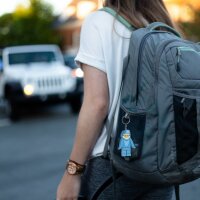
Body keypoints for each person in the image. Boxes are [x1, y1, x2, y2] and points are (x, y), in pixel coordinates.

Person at [57, 0, 176, 199]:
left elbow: (97, 104)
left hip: (112, 165)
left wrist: (73, 172)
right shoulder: (162, 24)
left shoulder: (100, 21)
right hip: (160, 163)